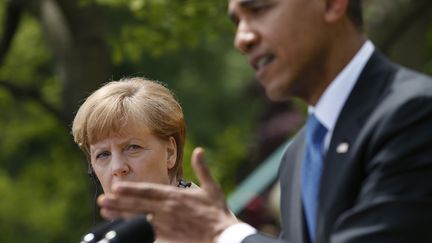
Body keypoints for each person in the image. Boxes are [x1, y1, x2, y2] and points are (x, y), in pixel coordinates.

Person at [96, 0, 432, 243]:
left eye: (259, 10)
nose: (242, 38)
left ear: (332, 5)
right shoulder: (297, 157)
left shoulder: (414, 115)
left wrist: (225, 233)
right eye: (236, 21)